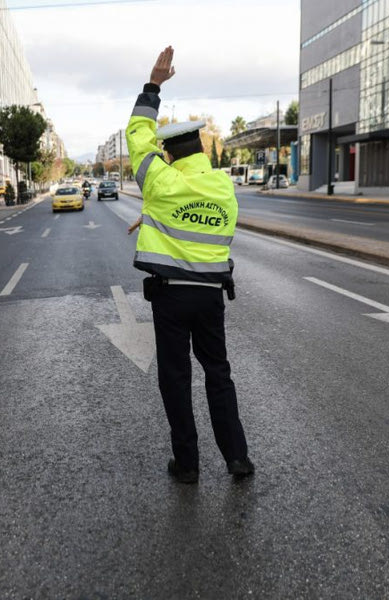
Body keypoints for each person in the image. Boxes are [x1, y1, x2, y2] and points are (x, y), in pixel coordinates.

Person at [127, 46, 254, 483]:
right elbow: (203, 221)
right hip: (211, 297)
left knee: (176, 380)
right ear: (200, 148)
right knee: (219, 375)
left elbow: (137, 135)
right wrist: (154, 213)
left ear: (169, 154)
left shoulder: (160, 182)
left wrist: (152, 87)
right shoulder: (223, 188)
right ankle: (237, 457)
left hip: (171, 297)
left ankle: (188, 464)